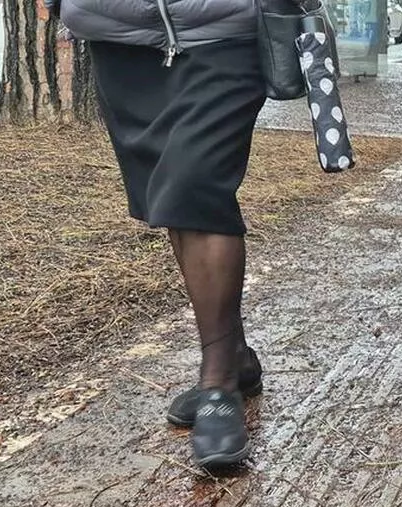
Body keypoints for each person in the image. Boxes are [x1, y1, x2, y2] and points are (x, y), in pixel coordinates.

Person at [48, 0, 266, 467]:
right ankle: (235, 357)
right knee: (173, 197)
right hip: (119, 40)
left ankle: (219, 385)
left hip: (223, 31)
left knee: (194, 184)